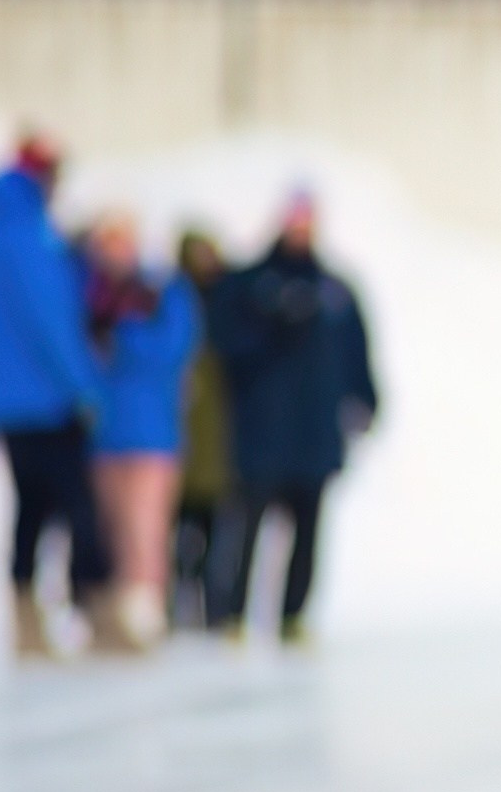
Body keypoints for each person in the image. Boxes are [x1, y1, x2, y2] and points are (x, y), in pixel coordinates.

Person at [0, 133, 137, 658]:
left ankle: (27, 623)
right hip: (44, 401)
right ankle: (98, 613)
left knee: (32, 509)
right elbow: (51, 324)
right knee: (79, 507)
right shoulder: (26, 237)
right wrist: (84, 387)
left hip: (9, 404)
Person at [211, 190, 380, 646]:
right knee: (247, 526)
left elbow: (357, 353)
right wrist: (271, 323)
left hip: (315, 430)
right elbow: (226, 347)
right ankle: (232, 614)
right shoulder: (252, 286)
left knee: (308, 532)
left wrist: (366, 399)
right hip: (264, 430)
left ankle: (293, 615)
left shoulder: (335, 291)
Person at [83, 210, 198, 648]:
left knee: (147, 527)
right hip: (105, 433)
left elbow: (174, 348)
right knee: (110, 527)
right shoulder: (90, 293)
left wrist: (124, 334)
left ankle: (147, 609)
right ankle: (113, 610)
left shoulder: (160, 291)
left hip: (153, 432)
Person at [171, 229, 237, 630]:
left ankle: (215, 608)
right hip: (179, 443)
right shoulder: (169, 300)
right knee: (179, 535)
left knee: (217, 533)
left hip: (216, 445)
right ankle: (178, 604)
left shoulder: (228, 304)